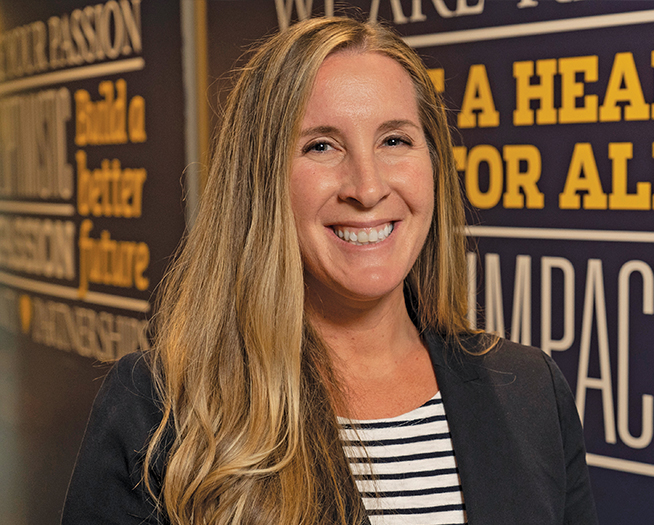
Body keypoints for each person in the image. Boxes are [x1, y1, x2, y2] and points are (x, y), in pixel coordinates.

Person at [61, 16, 597, 525]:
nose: (366, 188)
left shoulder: (529, 390)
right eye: (321, 145)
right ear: (261, 182)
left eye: (395, 140)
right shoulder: (157, 410)